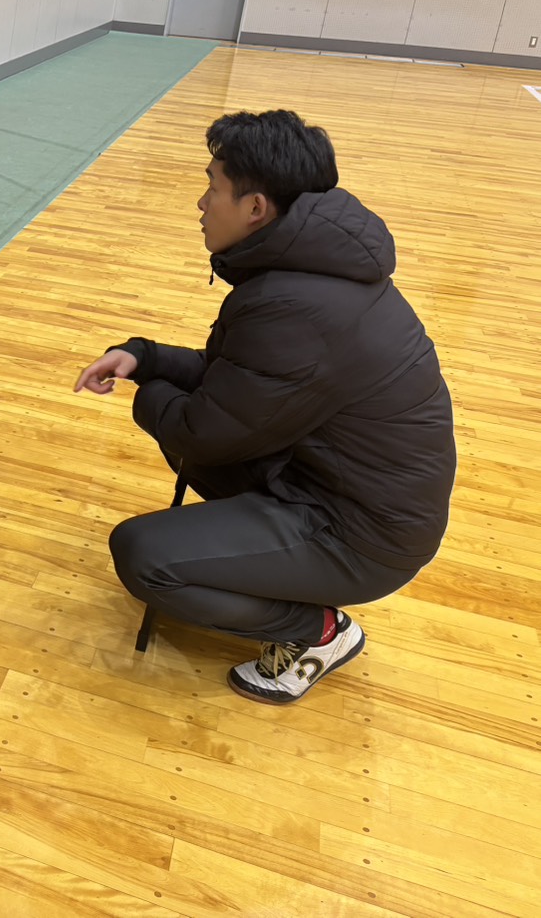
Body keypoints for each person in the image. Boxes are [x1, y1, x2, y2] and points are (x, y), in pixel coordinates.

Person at [74, 110, 455, 705]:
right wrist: (143, 357)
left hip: (362, 535)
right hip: (332, 486)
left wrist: (146, 395)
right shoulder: (311, 271)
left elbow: (201, 429)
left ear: (256, 207)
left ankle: (318, 634)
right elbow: (238, 381)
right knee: (197, 455)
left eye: (212, 187)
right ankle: (262, 566)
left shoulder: (296, 305)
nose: (202, 203)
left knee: (144, 556)